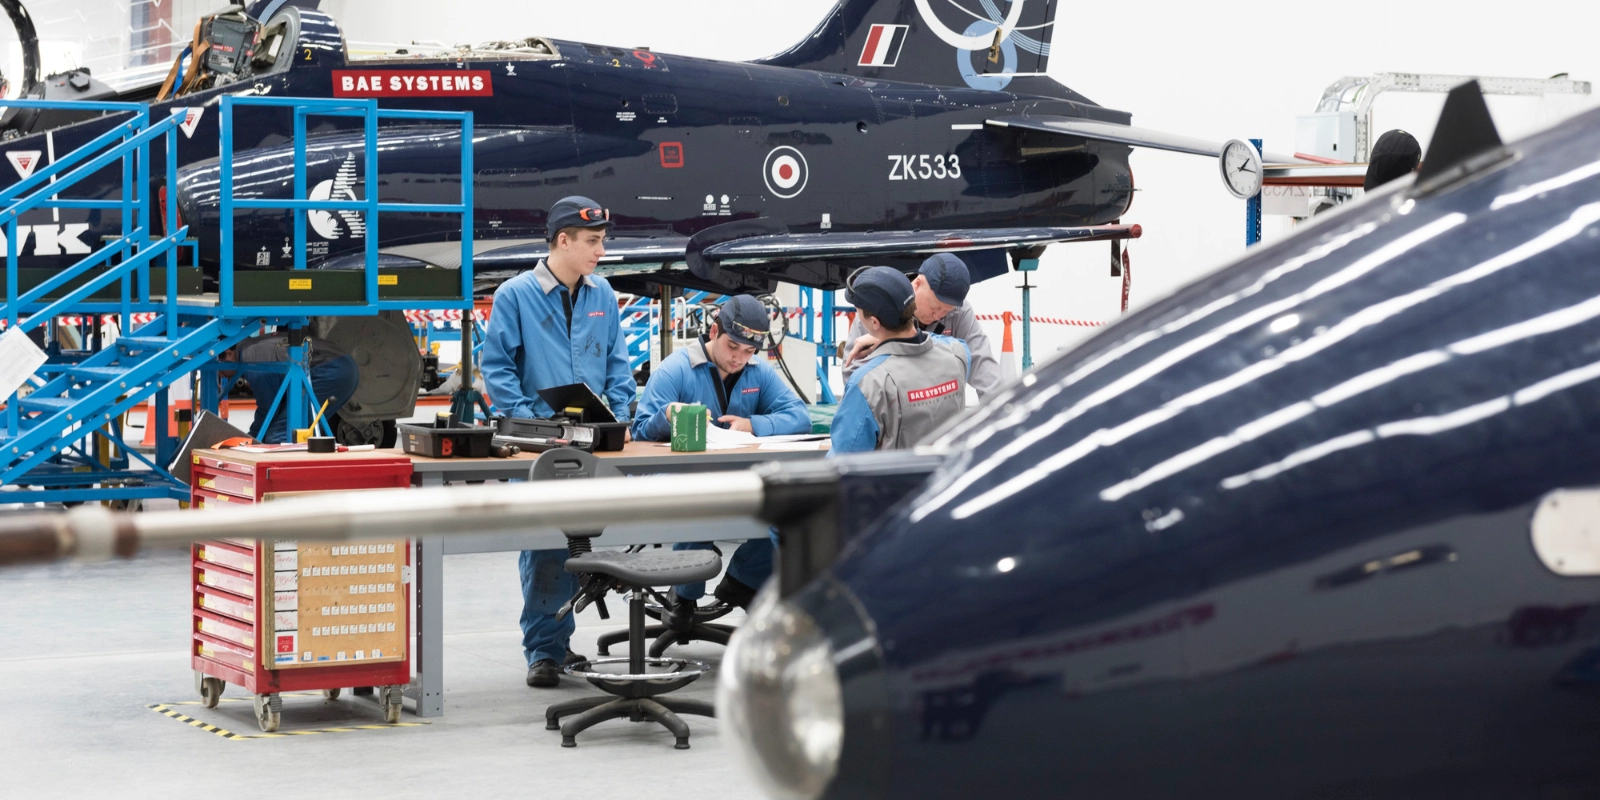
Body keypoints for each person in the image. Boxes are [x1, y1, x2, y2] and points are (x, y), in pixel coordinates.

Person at [480, 195, 634, 689]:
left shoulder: (602, 294)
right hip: (538, 450)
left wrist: (619, 418)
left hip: (593, 445)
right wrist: (534, 429)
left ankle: (558, 642)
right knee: (547, 548)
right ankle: (545, 650)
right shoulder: (515, 295)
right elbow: (498, 369)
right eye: (592, 241)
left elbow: (617, 365)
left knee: (584, 539)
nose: (601, 251)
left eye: (602, 240)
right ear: (562, 241)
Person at [632, 294, 810, 612]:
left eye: (749, 351)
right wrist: (668, 416)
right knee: (701, 495)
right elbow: (640, 431)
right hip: (678, 479)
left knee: (790, 502)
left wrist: (753, 424)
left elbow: (800, 417)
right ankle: (684, 595)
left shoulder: (758, 372)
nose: (739, 358)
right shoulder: (675, 370)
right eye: (732, 346)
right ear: (714, 332)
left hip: (734, 477)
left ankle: (744, 581)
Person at [830, 266, 970, 456]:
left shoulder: (868, 384)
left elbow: (843, 461)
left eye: (859, 313)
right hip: (952, 473)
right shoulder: (957, 354)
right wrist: (895, 339)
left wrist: (884, 340)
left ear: (875, 323)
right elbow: (947, 343)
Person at [839, 253, 1000, 401]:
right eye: (934, 306)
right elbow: (852, 375)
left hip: (941, 411)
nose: (938, 316)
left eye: (946, 311)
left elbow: (983, 366)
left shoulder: (960, 312)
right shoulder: (879, 306)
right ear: (917, 284)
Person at [222, 331, 359, 444]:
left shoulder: (250, 359)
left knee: (281, 435)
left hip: (330, 371)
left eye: (219, 368)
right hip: (340, 365)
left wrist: (251, 439)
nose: (219, 374)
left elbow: (268, 409)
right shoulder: (250, 347)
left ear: (229, 353)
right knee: (299, 430)